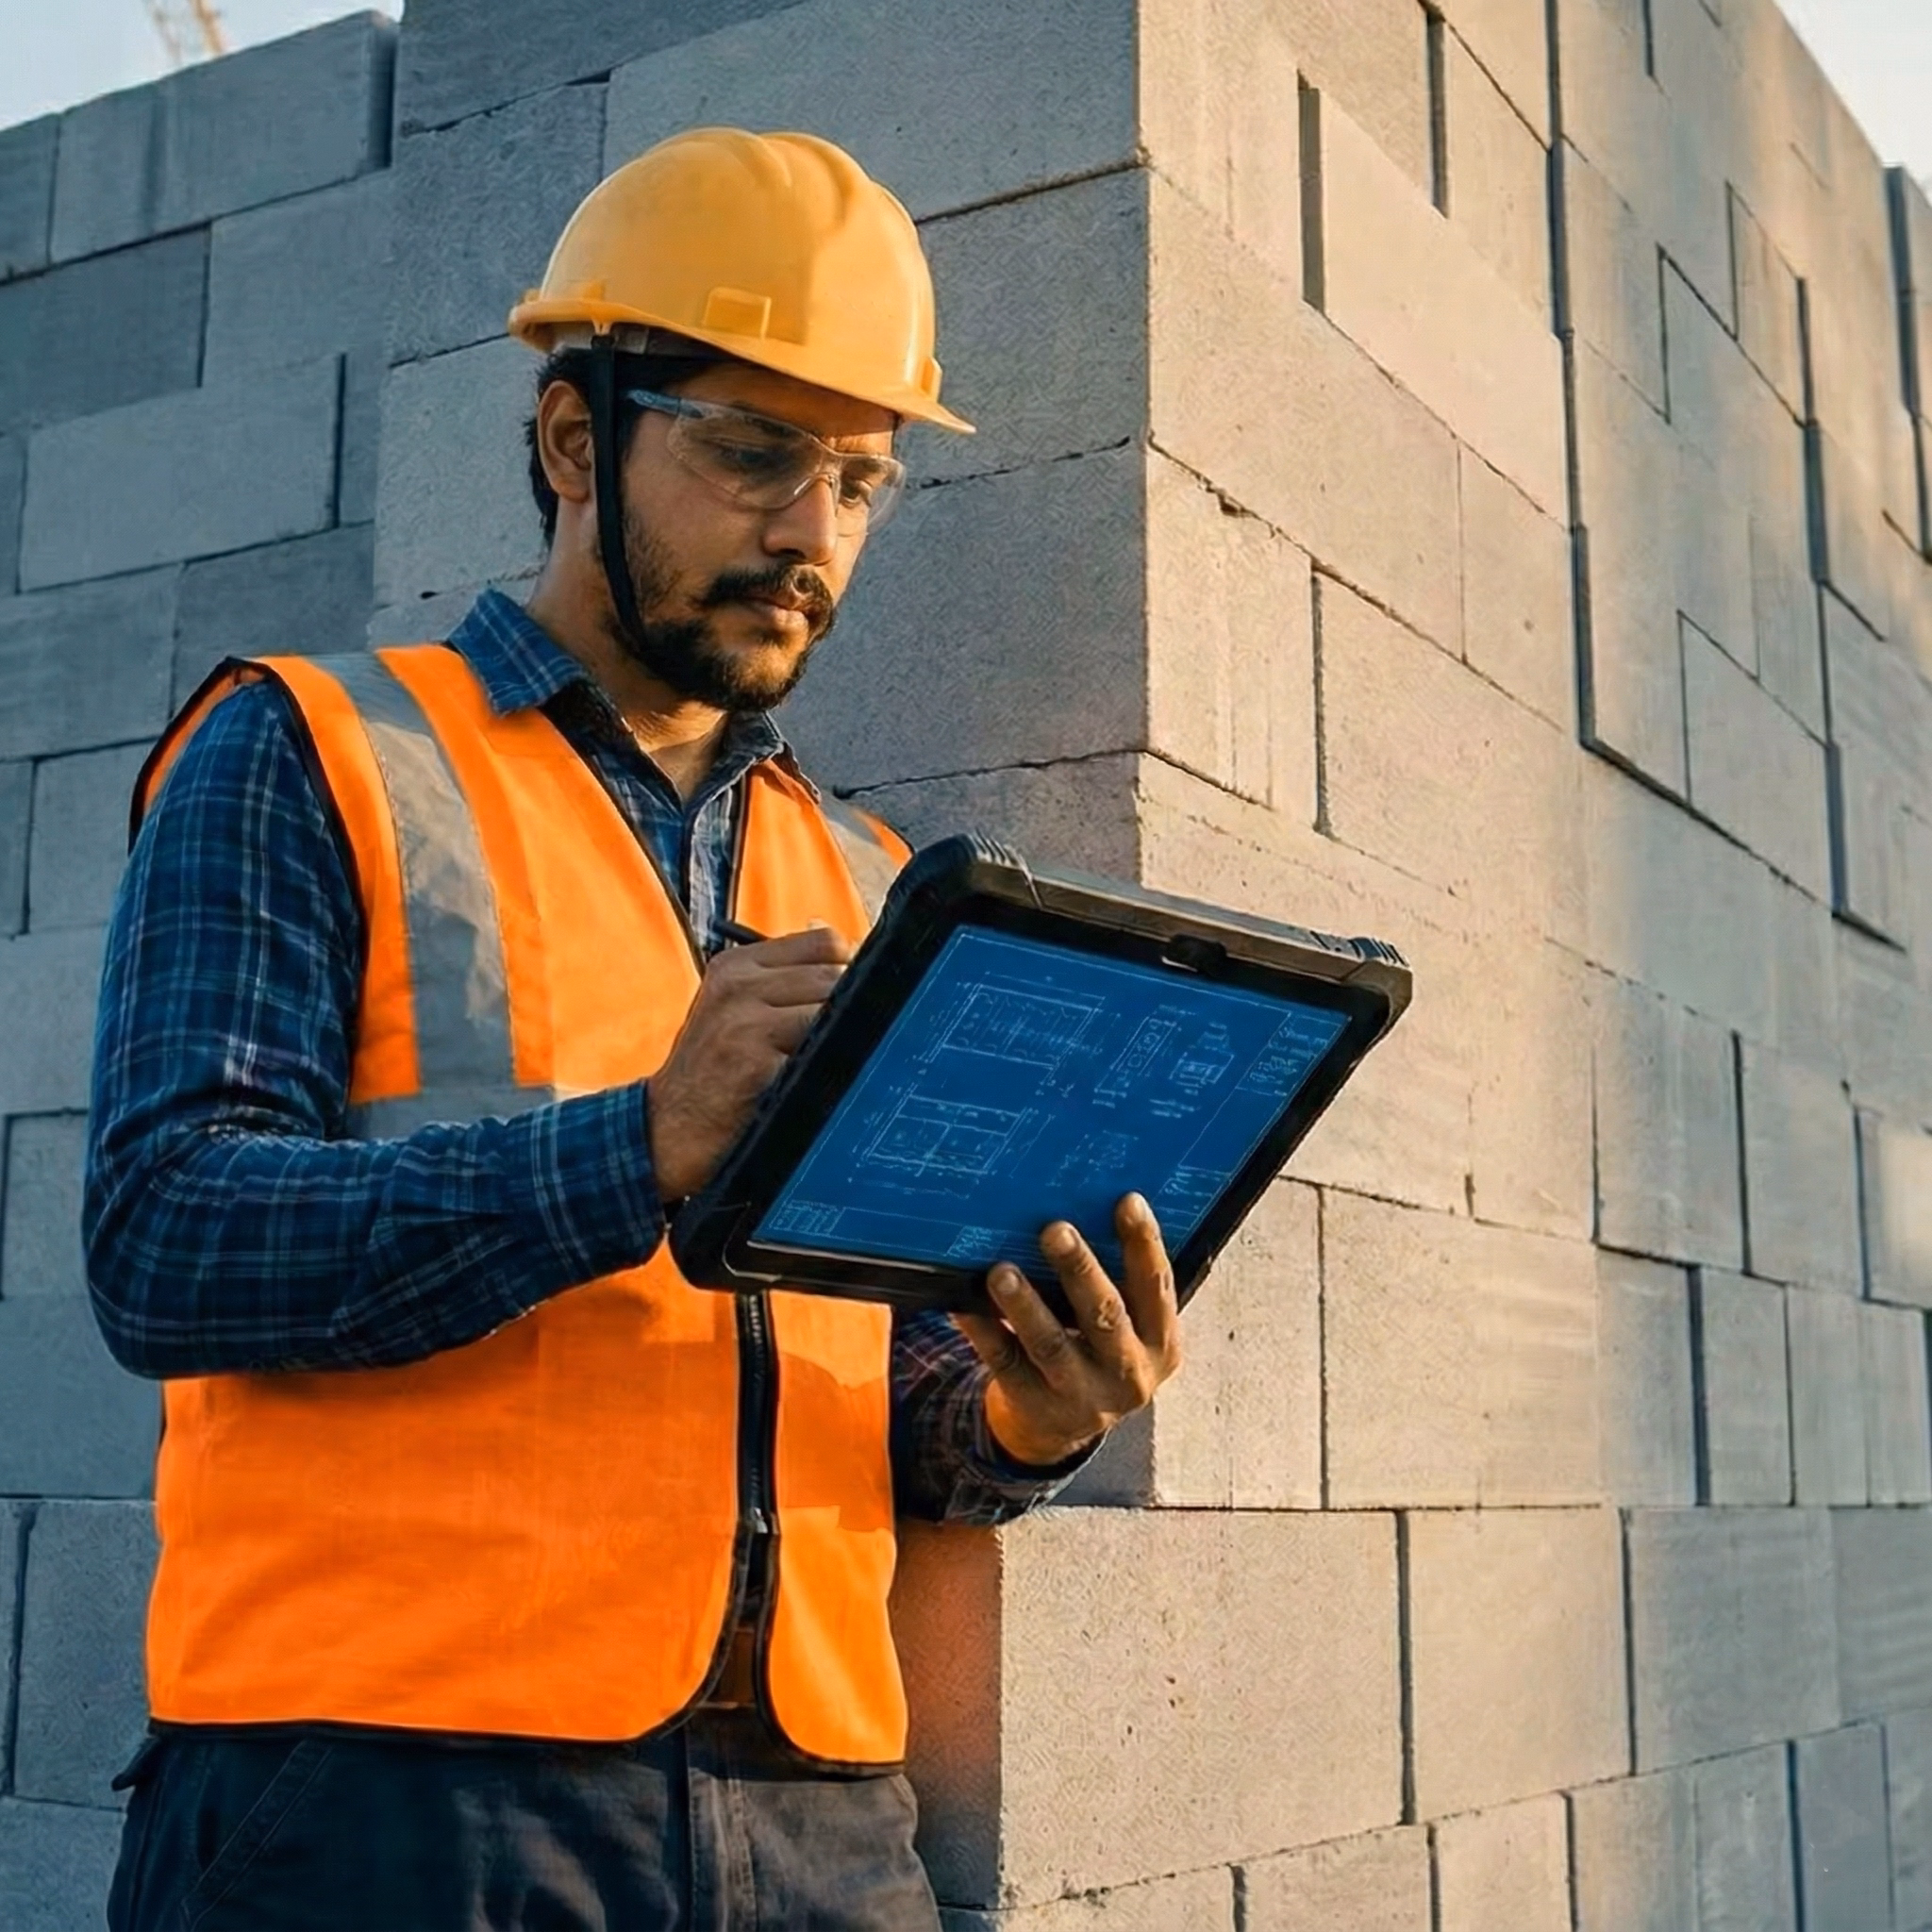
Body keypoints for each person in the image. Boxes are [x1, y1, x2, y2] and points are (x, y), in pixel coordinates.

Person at [84, 127, 1183, 1930]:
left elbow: (875, 1401)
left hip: (821, 1824)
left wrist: (1025, 1411)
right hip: (392, 1803)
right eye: (755, 453)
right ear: (576, 440)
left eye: (861, 478)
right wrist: (627, 1150)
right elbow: (161, 1242)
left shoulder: (867, 875)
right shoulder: (315, 752)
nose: (810, 531)